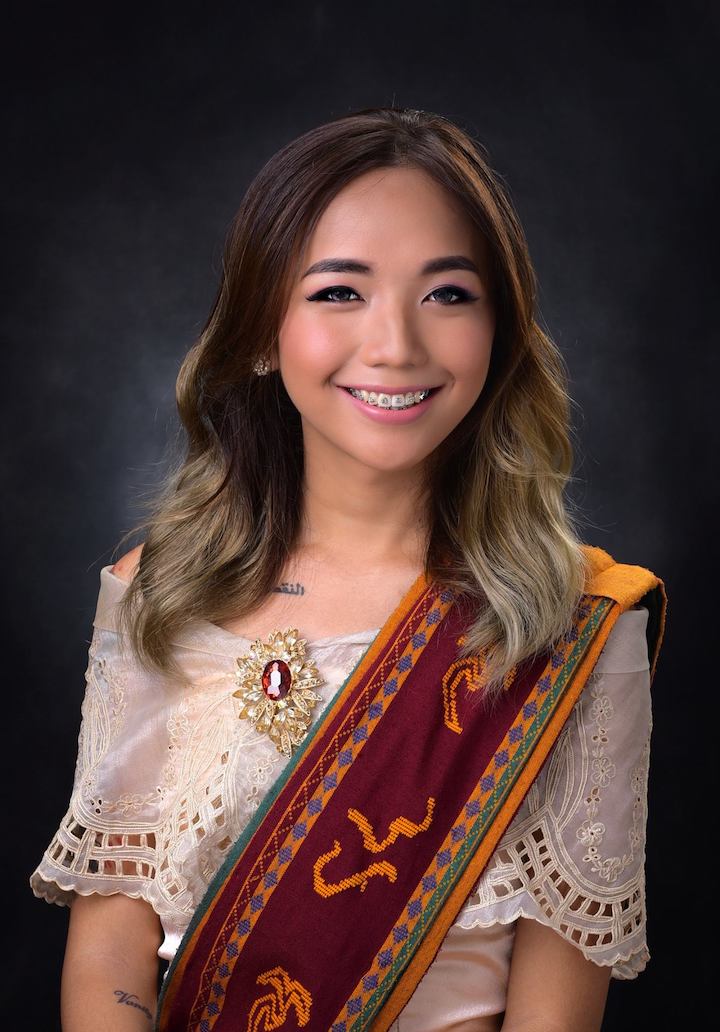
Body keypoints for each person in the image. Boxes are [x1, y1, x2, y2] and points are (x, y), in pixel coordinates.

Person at [30, 106, 667, 1032]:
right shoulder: (159, 590)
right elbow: (107, 957)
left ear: (500, 333)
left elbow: (554, 1013)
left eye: (448, 294)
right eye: (339, 293)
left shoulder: (573, 626)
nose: (396, 346)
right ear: (259, 331)